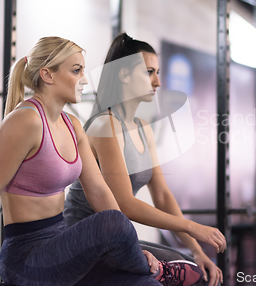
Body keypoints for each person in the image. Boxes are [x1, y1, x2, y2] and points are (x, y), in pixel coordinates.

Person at [0, 36, 203, 286]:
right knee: (113, 222)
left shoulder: (73, 126)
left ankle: (152, 272)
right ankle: (157, 269)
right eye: (76, 70)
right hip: (29, 259)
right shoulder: (25, 120)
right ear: (48, 75)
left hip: (66, 249)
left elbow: (99, 191)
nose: (84, 80)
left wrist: (133, 248)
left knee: (145, 279)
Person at [64, 33, 226, 286]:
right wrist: (192, 226)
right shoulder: (104, 125)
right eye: (149, 72)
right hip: (83, 240)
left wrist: (196, 249)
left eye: (158, 72)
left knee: (195, 270)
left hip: (112, 239)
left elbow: (161, 195)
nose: (158, 81)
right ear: (124, 75)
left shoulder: (142, 127)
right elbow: (125, 203)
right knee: (183, 277)